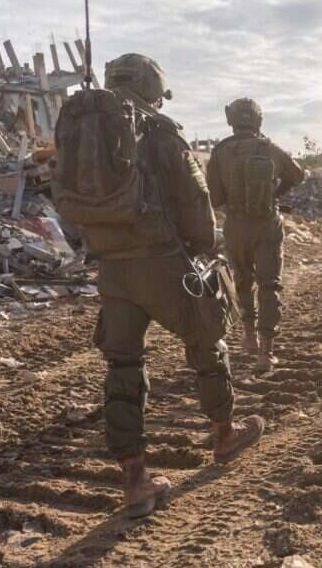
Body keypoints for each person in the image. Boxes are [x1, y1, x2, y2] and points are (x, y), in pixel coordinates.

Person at [57, 54, 264, 518]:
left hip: (112, 268)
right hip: (163, 262)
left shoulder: (85, 126)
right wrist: (206, 246)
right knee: (209, 342)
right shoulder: (159, 130)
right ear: (154, 86)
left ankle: (134, 481)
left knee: (123, 366)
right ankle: (225, 434)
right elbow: (195, 202)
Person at [206, 97, 305, 372]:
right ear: (258, 120)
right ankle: (265, 353)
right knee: (269, 285)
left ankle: (248, 337)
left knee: (242, 282)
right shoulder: (269, 147)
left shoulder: (220, 152)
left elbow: (214, 198)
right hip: (266, 223)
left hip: (235, 226)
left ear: (231, 119)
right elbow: (298, 175)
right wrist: (274, 192)